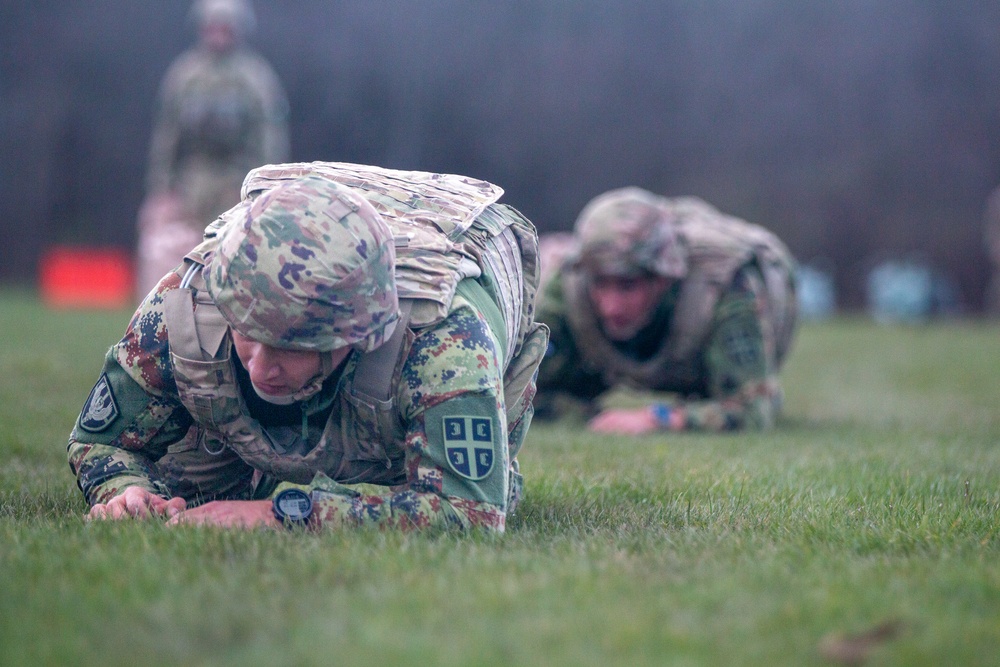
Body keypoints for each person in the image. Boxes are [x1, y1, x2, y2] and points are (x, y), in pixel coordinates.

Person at [68, 161, 549, 533]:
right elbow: (99, 442)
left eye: (291, 347)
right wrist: (124, 488)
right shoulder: (187, 307)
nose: (261, 366)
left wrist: (286, 515)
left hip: (452, 319)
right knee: (185, 494)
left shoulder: (445, 344)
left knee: (460, 491)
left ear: (356, 336)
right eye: (248, 334)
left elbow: (468, 515)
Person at [534, 187, 797, 434]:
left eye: (627, 285)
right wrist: (587, 416)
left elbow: (753, 408)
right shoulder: (568, 285)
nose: (610, 306)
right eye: (600, 283)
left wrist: (657, 419)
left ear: (662, 278)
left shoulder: (722, 284)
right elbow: (520, 390)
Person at [136, 0, 290, 297]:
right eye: (212, 27)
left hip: (236, 182)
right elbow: (167, 138)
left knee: (234, 259)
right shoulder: (185, 76)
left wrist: (262, 190)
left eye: (225, 27)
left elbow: (269, 139)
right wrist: (162, 190)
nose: (218, 34)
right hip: (192, 181)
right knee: (177, 259)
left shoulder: (255, 79)